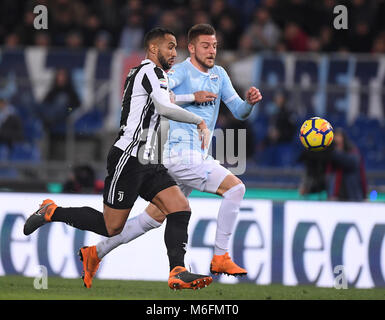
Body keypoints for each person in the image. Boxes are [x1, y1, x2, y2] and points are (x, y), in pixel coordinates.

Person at [23, 27, 213, 291]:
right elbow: (163, 106)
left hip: (149, 159)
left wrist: (193, 98)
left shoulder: (152, 75)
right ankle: (52, 211)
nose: (174, 52)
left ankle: (177, 271)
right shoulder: (149, 71)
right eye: (170, 46)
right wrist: (199, 120)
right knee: (111, 227)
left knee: (179, 207)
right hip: (129, 157)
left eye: (175, 47)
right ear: (153, 49)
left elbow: (165, 99)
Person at [84, 24, 262, 287]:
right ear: (191, 48)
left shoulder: (220, 75)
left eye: (214, 46)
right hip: (177, 153)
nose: (211, 51)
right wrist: (193, 97)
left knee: (150, 220)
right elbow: (163, 97)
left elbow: (238, 110)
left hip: (191, 156)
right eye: (205, 45)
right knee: (235, 189)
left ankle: (95, 253)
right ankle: (220, 256)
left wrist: (248, 103)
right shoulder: (178, 71)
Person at [326, 128, 367, 201]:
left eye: (339, 136)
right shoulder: (331, 154)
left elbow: (352, 163)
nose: (337, 139)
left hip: (352, 193)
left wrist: (336, 153)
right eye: (335, 136)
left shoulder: (352, 151)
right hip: (336, 194)